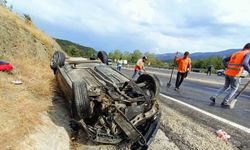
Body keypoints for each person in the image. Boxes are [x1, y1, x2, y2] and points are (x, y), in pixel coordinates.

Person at [210, 43, 250, 107]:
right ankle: (225, 102)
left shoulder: (236, 53)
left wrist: (227, 66)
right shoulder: (248, 53)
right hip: (235, 74)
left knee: (225, 86)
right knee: (234, 88)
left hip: (228, 73)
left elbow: (224, 60)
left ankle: (214, 96)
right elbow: (245, 63)